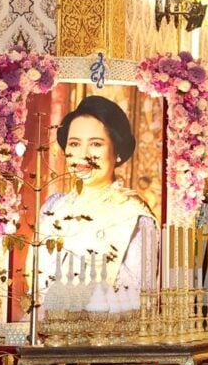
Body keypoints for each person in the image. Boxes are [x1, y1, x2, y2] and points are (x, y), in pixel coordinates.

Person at [36, 95, 159, 313]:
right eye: (74, 144)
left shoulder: (134, 216)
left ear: (116, 151)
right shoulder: (53, 208)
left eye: (95, 144)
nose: (83, 155)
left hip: (109, 331)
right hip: (48, 329)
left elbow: (141, 299)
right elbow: (36, 287)